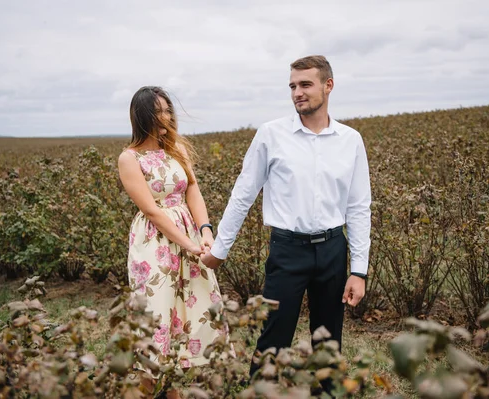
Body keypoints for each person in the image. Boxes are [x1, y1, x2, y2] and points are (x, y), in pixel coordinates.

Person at [201, 55, 371, 379]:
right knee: (273, 341)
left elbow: (359, 207)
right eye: (292, 86)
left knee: (329, 343)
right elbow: (243, 195)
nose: (297, 92)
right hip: (287, 251)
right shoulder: (271, 134)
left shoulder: (351, 141)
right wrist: (220, 250)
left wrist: (358, 270)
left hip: (334, 250)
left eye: (305, 84)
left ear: (328, 85)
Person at [117, 86, 225, 374]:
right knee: (157, 312)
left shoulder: (175, 150)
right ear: (142, 116)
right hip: (155, 241)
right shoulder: (130, 158)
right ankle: (146, 383)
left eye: (168, 109)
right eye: (158, 110)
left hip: (188, 232)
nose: (166, 115)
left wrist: (204, 231)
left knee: (189, 309)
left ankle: (172, 387)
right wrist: (188, 244)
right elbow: (151, 211)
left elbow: (192, 189)